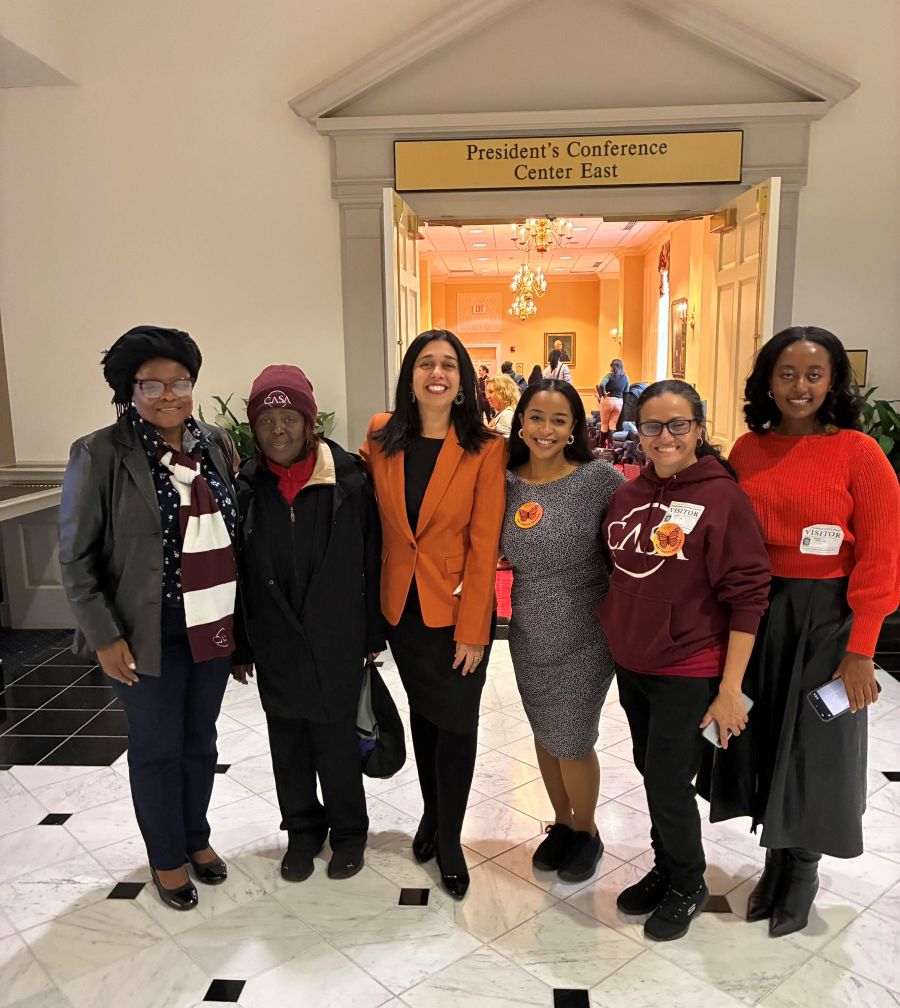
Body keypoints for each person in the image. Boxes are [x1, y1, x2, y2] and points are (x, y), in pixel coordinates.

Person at [717, 326, 900, 937]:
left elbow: (879, 559)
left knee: (817, 747)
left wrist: (862, 651)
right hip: (759, 613)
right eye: (787, 374)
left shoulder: (858, 453)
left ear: (833, 382)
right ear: (767, 381)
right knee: (765, 732)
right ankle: (775, 858)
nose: (800, 387)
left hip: (828, 617)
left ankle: (803, 870)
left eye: (814, 374)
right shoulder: (748, 450)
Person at [59, 326, 239, 911]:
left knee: (201, 741)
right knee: (158, 746)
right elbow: (76, 556)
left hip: (210, 621)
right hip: (143, 630)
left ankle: (196, 838)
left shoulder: (213, 443)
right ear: (129, 389)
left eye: (180, 381)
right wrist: (103, 635)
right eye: (153, 383)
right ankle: (167, 857)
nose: (169, 394)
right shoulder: (100, 453)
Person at [597, 379, 771, 941]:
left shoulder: (723, 498)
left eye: (678, 425)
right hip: (635, 662)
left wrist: (729, 688)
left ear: (698, 427)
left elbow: (748, 596)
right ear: (637, 431)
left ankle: (689, 880)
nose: (665, 436)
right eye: (652, 425)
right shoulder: (626, 493)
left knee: (669, 780)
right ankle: (667, 864)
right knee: (653, 773)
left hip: (690, 666)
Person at [360, 329, 506, 900]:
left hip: (458, 613)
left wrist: (474, 630)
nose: (437, 374)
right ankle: (430, 815)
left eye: (449, 365)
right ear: (410, 376)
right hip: (403, 609)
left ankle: (450, 839)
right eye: (426, 363)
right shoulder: (381, 436)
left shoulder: (484, 448)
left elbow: (484, 542)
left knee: (459, 724)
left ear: (464, 380)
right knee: (425, 715)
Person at [231, 365, 385, 884]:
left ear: (309, 422)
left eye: (289, 416)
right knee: (288, 742)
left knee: (335, 741)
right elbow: (236, 570)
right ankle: (302, 830)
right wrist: (239, 644)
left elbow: (372, 558)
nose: (278, 429)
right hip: (275, 638)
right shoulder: (248, 487)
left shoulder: (349, 479)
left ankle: (348, 832)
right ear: (253, 428)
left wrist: (370, 635)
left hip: (336, 636)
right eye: (266, 419)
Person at [502, 380, 623, 882]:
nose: (545, 429)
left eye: (558, 420)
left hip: (585, 630)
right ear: (521, 422)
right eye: (536, 417)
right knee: (545, 734)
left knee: (573, 738)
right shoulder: (506, 480)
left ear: (575, 427)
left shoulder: (599, 479)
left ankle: (588, 830)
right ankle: (562, 824)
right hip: (527, 628)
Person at [595, 359, 631, 447]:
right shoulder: (626, 377)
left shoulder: (609, 375)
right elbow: (627, 391)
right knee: (613, 425)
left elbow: (602, 385)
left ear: (612, 366)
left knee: (604, 424)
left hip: (608, 400)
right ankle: (612, 446)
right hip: (619, 402)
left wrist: (603, 394)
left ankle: (601, 445)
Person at [485, 373, 520, 438]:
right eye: (486, 392)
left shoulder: (506, 415)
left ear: (504, 393)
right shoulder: (502, 412)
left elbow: (504, 445)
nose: (487, 396)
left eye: (491, 392)